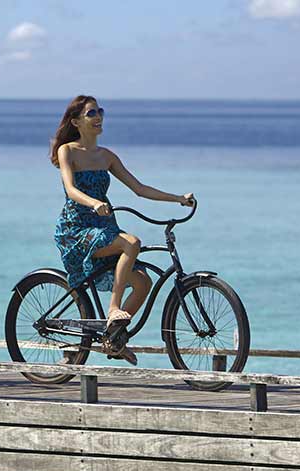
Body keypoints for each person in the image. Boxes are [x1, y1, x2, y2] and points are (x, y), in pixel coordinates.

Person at [50, 95, 195, 365]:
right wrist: (94, 203)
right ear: (76, 121)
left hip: (104, 226)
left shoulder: (107, 156)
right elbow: (70, 189)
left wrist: (178, 199)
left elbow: (139, 189)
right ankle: (113, 308)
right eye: (91, 113)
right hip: (76, 229)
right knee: (132, 242)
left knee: (143, 282)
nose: (98, 117)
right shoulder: (67, 151)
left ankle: (112, 339)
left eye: (100, 111)